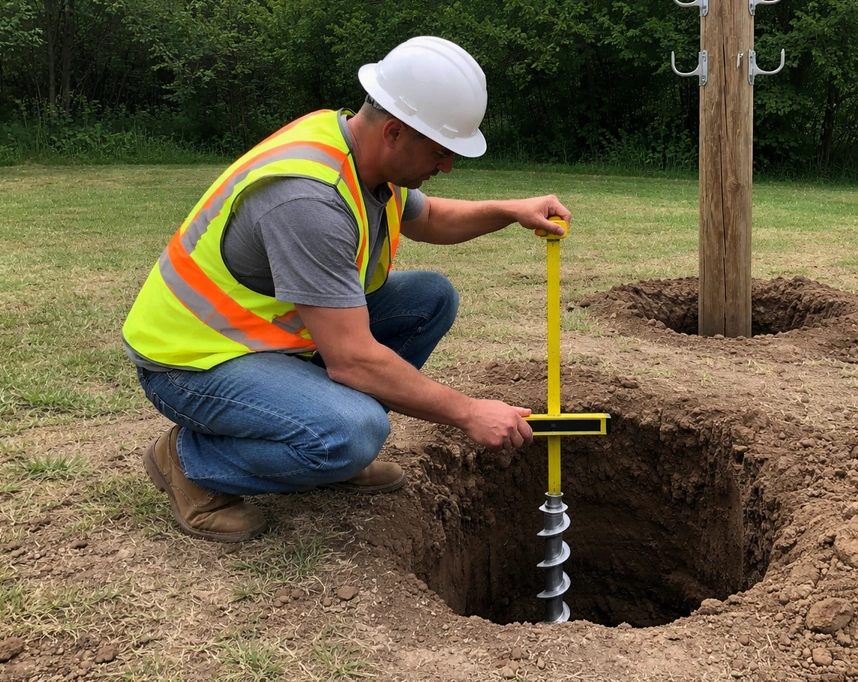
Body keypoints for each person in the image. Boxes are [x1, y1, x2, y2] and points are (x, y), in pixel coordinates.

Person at [122, 36, 571, 543]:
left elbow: (430, 218)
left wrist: (509, 211)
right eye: (442, 151)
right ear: (397, 132)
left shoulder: (362, 153)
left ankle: (323, 443)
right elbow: (352, 360)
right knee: (352, 432)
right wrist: (469, 412)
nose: (446, 166)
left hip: (266, 342)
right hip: (194, 362)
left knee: (430, 298)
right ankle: (189, 462)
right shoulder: (308, 200)